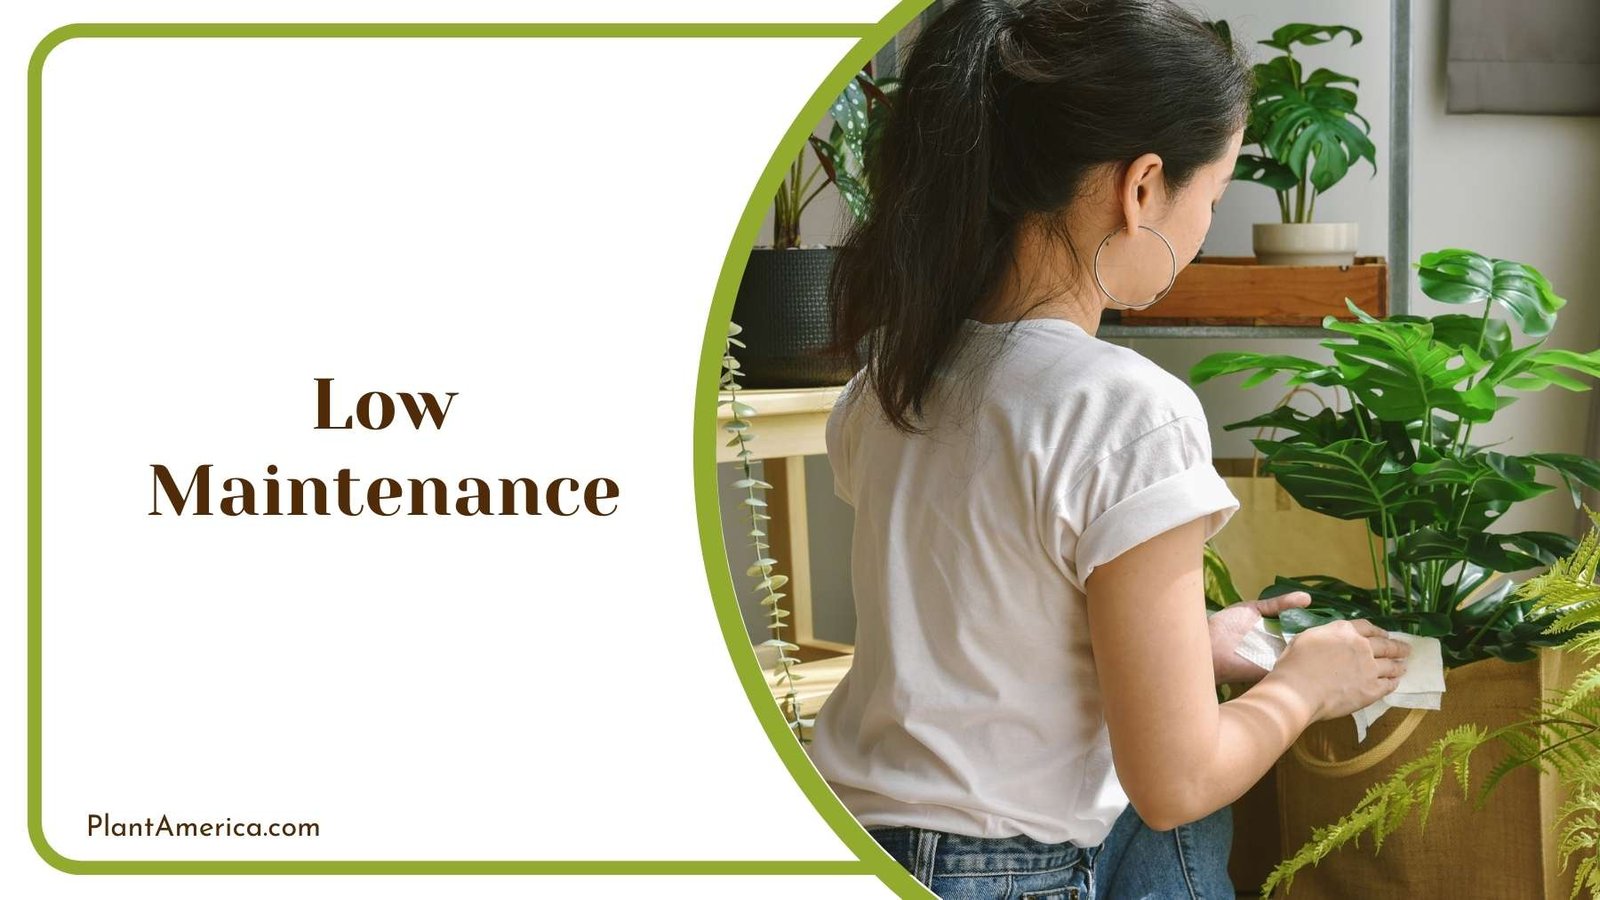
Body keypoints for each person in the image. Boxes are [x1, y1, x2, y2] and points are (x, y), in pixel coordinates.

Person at [805, 1, 1411, 897]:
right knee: (1195, 804)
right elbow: (1176, 783)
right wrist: (1304, 686)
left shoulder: (891, 381)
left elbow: (979, 628)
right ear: (1142, 189)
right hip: (1008, 874)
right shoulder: (1130, 412)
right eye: (1213, 197)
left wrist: (1184, 647)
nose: (1206, 226)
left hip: (847, 833)